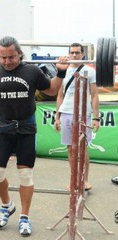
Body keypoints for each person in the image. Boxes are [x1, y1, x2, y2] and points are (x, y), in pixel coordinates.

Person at [0, 36, 67, 237]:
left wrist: (60, 71)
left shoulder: (32, 71)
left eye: (11, 57)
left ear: (19, 54)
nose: (7, 61)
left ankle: (24, 217)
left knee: (25, 174)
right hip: (3, 129)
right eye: (3, 57)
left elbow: (52, 89)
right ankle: (7, 205)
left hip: (26, 129)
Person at [54, 42, 100, 191]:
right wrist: (57, 116)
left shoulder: (89, 71)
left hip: (83, 113)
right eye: (72, 52)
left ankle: (85, 180)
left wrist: (96, 118)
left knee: (82, 148)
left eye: (77, 52)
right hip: (66, 112)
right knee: (70, 148)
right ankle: (74, 179)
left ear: (82, 54)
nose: (74, 55)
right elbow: (60, 95)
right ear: (69, 54)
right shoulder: (64, 71)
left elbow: (94, 95)